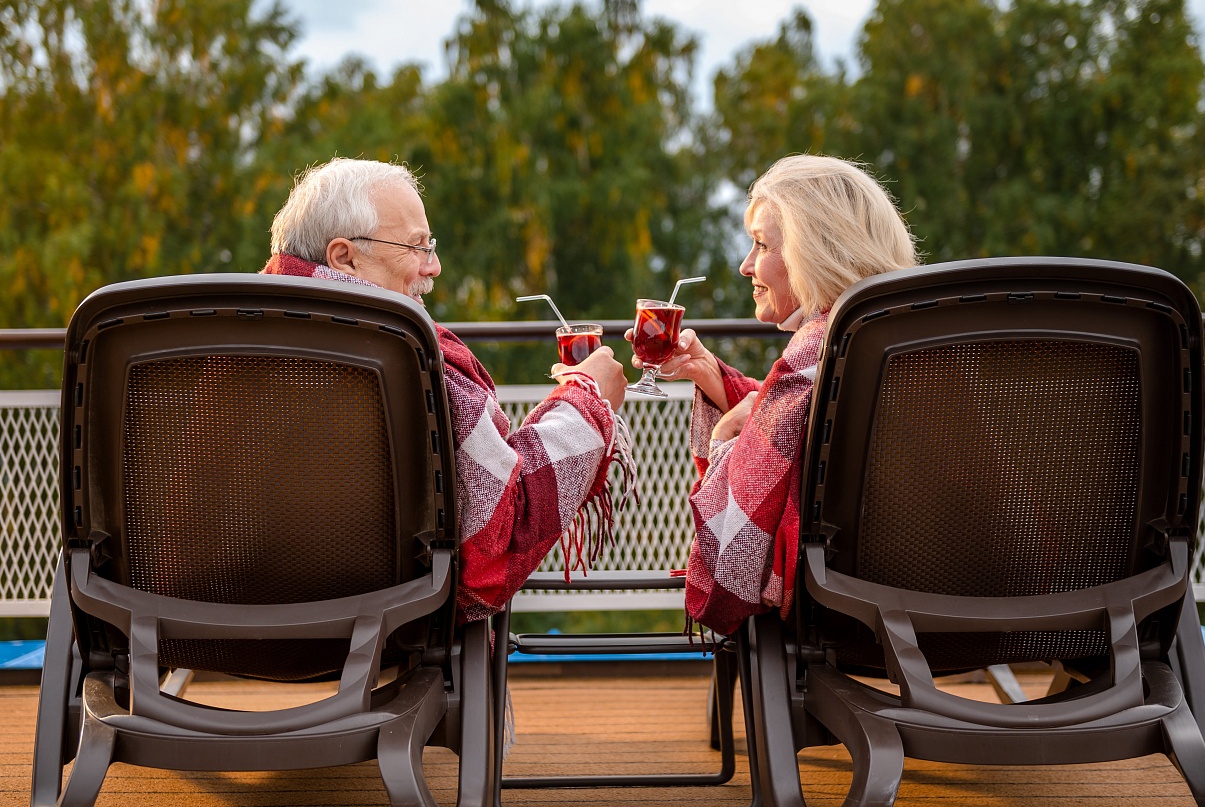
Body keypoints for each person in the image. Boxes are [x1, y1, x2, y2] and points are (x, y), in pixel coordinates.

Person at [262, 158, 632, 624]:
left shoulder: (221, 346)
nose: (433, 266)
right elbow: (498, 532)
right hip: (392, 632)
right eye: (416, 246)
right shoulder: (404, 355)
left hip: (214, 624)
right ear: (344, 257)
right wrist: (586, 399)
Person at [638, 154, 919, 636]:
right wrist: (712, 376)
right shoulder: (912, 339)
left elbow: (730, 561)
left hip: (847, 620)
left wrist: (725, 440)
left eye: (762, 244)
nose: (746, 265)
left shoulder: (820, 347)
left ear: (814, 251)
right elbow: (806, 426)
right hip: (982, 606)